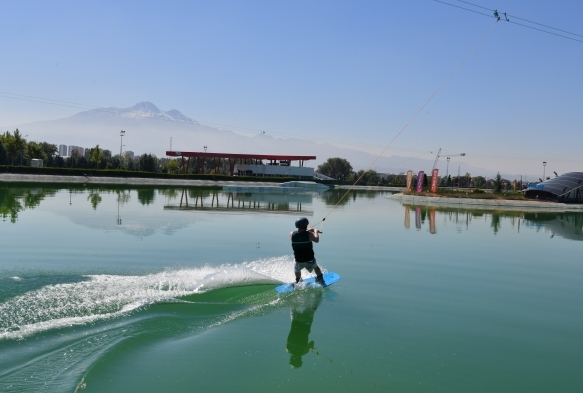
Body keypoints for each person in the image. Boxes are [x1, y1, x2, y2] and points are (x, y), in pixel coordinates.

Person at [290, 217, 325, 286]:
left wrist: (307, 231)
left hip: (298, 260)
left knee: (296, 267)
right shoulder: (309, 234)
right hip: (309, 260)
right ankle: (320, 278)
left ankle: (298, 280)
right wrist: (315, 231)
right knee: (315, 267)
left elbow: (301, 235)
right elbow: (316, 240)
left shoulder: (291, 234)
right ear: (306, 225)